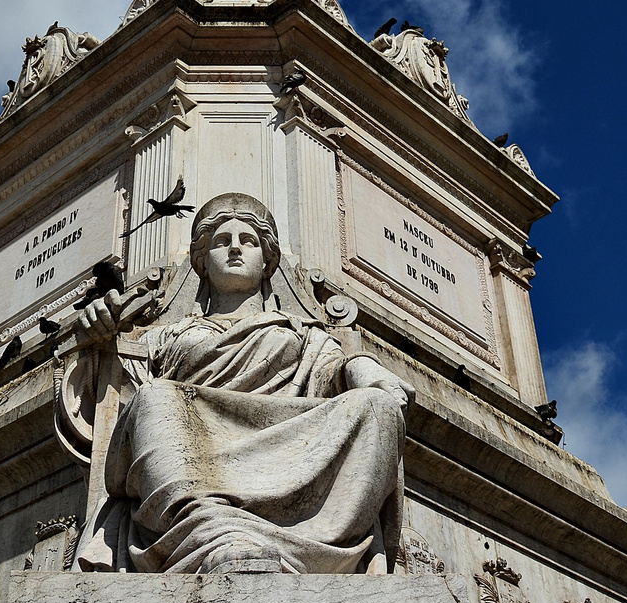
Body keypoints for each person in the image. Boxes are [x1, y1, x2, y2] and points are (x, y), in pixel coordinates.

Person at [58, 193, 410, 574]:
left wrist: (361, 366)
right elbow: (111, 402)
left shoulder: (303, 336)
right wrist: (96, 342)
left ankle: (300, 537)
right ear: (202, 263)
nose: (236, 249)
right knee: (154, 397)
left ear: (267, 262)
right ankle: (210, 528)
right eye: (222, 242)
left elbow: (332, 370)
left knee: (379, 408)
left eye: (249, 241)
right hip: (190, 450)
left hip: (292, 444)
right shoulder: (169, 335)